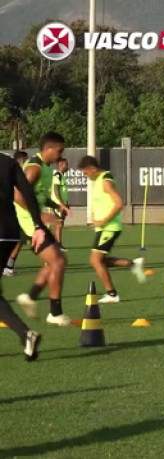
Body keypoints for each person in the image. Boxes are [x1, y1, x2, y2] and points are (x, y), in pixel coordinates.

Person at [14, 132, 72, 326]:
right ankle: (55, 313)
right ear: (48, 149)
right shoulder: (34, 168)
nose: (61, 155)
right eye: (59, 150)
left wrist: (56, 206)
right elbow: (17, 194)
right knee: (57, 262)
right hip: (29, 223)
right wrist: (38, 217)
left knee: (57, 260)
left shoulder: (46, 168)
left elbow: (37, 195)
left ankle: (30, 297)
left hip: (34, 222)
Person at [77, 156, 145, 303]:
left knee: (95, 260)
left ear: (93, 169)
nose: (85, 176)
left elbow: (119, 203)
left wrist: (103, 221)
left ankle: (112, 294)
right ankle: (132, 264)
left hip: (109, 227)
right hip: (104, 228)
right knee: (98, 261)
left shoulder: (106, 180)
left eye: (86, 173)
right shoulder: (100, 179)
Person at [0, 152, 45, 360]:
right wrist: (38, 225)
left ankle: (25, 333)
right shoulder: (8, 162)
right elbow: (28, 193)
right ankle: (26, 336)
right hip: (10, 234)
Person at [4, 150, 29, 277]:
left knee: (19, 240)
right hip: (19, 214)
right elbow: (16, 194)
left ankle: (9, 264)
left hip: (20, 214)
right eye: (26, 160)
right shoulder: (15, 172)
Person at [50, 157, 70, 251]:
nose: (68, 166)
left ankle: (57, 243)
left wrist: (66, 203)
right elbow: (56, 189)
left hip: (62, 204)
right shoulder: (57, 175)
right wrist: (61, 204)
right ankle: (57, 244)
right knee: (58, 224)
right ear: (61, 165)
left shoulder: (62, 175)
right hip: (57, 204)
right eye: (66, 165)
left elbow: (63, 191)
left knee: (60, 223)